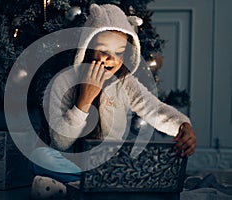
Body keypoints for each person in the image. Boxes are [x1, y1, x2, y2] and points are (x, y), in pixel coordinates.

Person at [30, 3, 197, 199]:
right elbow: (61, 142)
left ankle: (76, 189)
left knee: (144, 164)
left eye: (119, 53)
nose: (110, 59)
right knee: (40, 158)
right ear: (88, 49)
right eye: (103, 51)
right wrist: (84, 100)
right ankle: (101, 185)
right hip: (73, 162)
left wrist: (182, 125)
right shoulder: (63, 82)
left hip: (110, 163)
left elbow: (155, 109)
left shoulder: (125, 83)